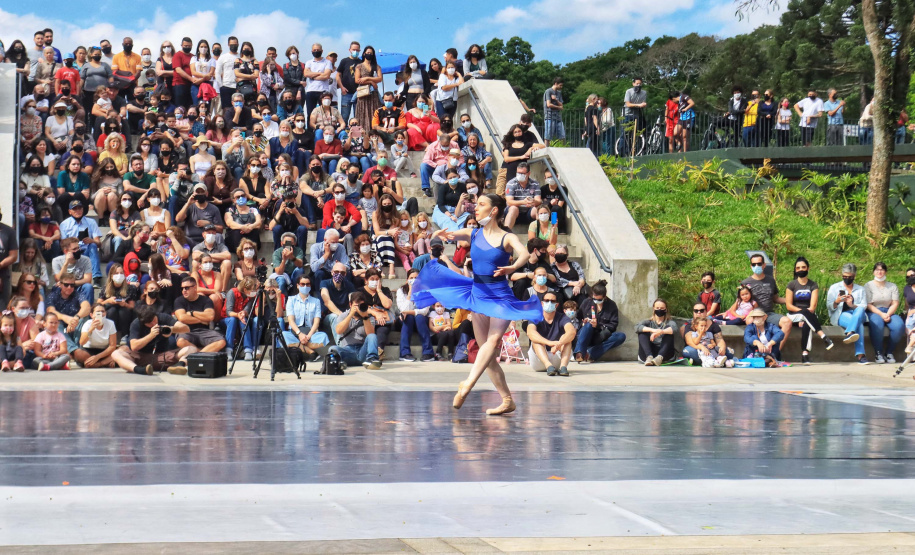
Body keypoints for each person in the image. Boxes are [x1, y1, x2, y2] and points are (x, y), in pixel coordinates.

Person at [412, 194, 544, 415]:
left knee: (491, 342)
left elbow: (523, 254)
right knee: (487, 355)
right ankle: (507, 400)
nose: (476, 208)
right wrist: (438, 234)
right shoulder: (473, 233)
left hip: (500, 297)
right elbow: (446, 235)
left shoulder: (506, 238)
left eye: (482, 205)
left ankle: (467, 384)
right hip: (478, 294)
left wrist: (513, 268)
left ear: (493, 211)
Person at [110, 305, 195, 375]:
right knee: (115, 353)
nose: (153, 324)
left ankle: (179, 365)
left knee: (191, 349)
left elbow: (186, 329)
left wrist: (171, 329)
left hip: (163, 356)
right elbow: (134, 347)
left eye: (154, 320)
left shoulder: (163, 317)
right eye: (149, 323)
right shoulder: (136, 324)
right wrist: (151, 335)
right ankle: (139, 370)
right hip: (141, 357)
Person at [784, 257, 834, 364]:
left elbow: (813, 306)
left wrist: (806, 313)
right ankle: (823, 336)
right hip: (794, 315)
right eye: (798, 268)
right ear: (795, 270)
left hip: (809, 315)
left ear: (808, 268)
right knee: (806, 314)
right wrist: (802, 312)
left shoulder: (813, 285)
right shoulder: (791, 285)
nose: (800, 269)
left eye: (803, 267)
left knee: (807, 322)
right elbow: (789, 306)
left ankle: (805, 354)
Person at [741, 254, 792, 348]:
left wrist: (790, 300)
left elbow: (776, 299)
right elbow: (740, 302)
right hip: (754, 314)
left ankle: (775, 352)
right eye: (754, 264)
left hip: (769, 314)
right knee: (751, 323)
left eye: (759, 264)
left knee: (787, 322)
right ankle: (758, 353)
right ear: (750, 266)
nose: (756, 266)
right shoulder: (745, 283)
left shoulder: (770, 280)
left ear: (764, 265)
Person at [573, 279, 625, 364]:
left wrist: (598, 325)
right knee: (588, 326)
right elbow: (578, 318)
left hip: (601, 335)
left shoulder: (611, 305)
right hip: (585, 333)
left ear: (604, 297)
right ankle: (579, 353)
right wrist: (583, 323)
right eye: (594, 298)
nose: (596, 301)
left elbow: (613, 325)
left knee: (620, 336)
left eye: (599, 299)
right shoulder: (587, 302)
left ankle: (590, 353)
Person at [826, 263, 869, 364]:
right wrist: (837, 301)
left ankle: (849, 332)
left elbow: (864, 306)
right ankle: (861, 355)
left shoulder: (860, 289)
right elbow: (829, 306)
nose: (847, 279)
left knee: (860, 310)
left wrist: (852, 305)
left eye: (849, 277)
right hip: (842, 315)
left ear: (854, 276)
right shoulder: (835, 287)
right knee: (859, 325)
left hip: (857, 313)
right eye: (844, 276)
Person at [173, 275, 227, 355]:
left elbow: (210, 316)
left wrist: (191, 313)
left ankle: (199, 355)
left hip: (203, 331)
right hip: (186, 330)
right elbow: (182, 318)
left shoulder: (206, 300)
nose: (184, 290)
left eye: (187, 288)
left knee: (221, 342)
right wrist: (202, 320)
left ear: (195, 287)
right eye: (182, 288)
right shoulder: (179, 300)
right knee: (180, 342)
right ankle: (200, 355)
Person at [526, 290, 576, 376]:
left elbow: (571, 332)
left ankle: (563, 367)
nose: (549, 303)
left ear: (556, 305)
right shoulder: (535, 317)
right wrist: (550, 343)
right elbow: (530, 333)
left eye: (552, 301)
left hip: (557, 357)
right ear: (542, 303)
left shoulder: (562, 317)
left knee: (566, 338)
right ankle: (548, 365)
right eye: (547, 300)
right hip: (539, 360)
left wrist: (559, 344)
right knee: (536, 340)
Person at [282, 275, 329, 362]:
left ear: (310, 286)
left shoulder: (316, 301)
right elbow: (291, 320)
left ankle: (298, 347)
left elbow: (316, 322)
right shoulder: (291, 300)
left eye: (307, 284)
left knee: (324, 337)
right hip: (295, 332)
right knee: (283, 336)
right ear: (297, 285)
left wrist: (308, 337)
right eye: (302, 284)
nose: (305, 286)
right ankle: (311, 352)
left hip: (310, 333)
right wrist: (300, 334)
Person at [865, 262, 904, 364]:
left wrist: (888, 314)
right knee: (877, 324)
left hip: (889, 311)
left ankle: (889, 352)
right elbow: (868, 304)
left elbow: (895, 303)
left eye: (882, 269)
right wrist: (881, 314)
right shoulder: (868, 285)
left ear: (885, 271)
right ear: (873, 272)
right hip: (874, 311)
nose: (879, 272)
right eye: (877, 270)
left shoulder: (892, 286)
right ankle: (878, 352)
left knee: (898, 325)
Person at [59, 201, 103, 285]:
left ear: (83, 209)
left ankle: (96, 278)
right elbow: (62, 244)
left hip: (87, 250)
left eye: (80, 208)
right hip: (72, 252)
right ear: (69, 211)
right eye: (74, 209)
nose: (78, 211)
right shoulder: (64, 224)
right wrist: (72, 241)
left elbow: (99, 243)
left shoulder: (91, 222)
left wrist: (92, 240)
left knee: (93, 245)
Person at [396, 269, 435, 362]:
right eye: (411, 278)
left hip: (420, 321)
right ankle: (404, 353)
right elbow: (403, 310)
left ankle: (428, 352)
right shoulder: (401, 291)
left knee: (419, 317)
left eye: (416, 278)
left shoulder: (425, 290)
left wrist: (409, 312)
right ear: (407, 280)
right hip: (405, 321)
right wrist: (410, 292)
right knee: (409, 317)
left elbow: (424, 311)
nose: (413, 280)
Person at [222, 277, 259, 361]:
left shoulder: (251, 296)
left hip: (241, 317)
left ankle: (248, 350)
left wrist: (243, 313)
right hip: (227, 319)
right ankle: (229, 349)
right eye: (252, 290)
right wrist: (238, 315)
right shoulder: (232, 293)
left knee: (244, 320)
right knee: (233, 320)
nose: (254, 292)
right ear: (245, 289)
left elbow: (247, 309)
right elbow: (229, 311)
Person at [72, 303, 118, 368]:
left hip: (104, 351)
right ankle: (105, 362)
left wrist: (97, 357)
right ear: (91, 315)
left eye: (103, 311)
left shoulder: (110, 323)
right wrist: (91, 329)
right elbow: (82, 342)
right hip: (89, 351)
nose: (101, 314)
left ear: (106, 313)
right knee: (78, 352)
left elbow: (112, 346)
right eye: (98, 312)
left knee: (122, 350)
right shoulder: (87, 324)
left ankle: (98, 364)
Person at [635, 298, 676, 366]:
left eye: (662, 308)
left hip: (664, 353)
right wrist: (653, 330)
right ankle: (649, 357)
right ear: (654, 309)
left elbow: (674, 329)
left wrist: (661, 332)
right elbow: (637, 327)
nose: (659, 310)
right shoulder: (648, 322)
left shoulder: (670, 322)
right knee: (642, 332)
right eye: (657, 308)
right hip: (649, 352)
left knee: (669, 333)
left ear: (666, 309)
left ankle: (659, 358)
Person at [99, 263, 139, 332]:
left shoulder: (130, 288)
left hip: (125, 312)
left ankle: (124, 334)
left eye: (121, 273)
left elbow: (132, 306)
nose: (119, 275)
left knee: (123, 311)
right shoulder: (105, 288)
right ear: (111, 276)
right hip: (111, 311)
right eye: (116, 273)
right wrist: (108, 301)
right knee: (112, 311)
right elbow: (98, 304)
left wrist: (125, 304)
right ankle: (110, 332)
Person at [503, 162, 541, 229]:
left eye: (522, 173)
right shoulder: (511, 183)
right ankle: (506, 232)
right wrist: (523, 202)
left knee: (538, 210)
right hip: (514, 213)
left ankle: (541, 235)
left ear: (528, 173)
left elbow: (539, 200)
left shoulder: (535, 184)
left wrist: (533, 202)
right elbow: (509, 202)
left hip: (529, 212)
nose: (520, 175)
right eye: (518, 173)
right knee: (513, 208)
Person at [542, 77, 565, 142]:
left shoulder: (559, 93)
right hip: (549, 116)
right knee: (548, 137)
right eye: (560, 85)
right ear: (556, 83)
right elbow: (548, 104)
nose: (561, 87)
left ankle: (562, 149)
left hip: (558, 117)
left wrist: (555, 100)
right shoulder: (548, 91)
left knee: (562, 136)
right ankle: (546, 150)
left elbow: (561, 105)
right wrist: (558, 107)